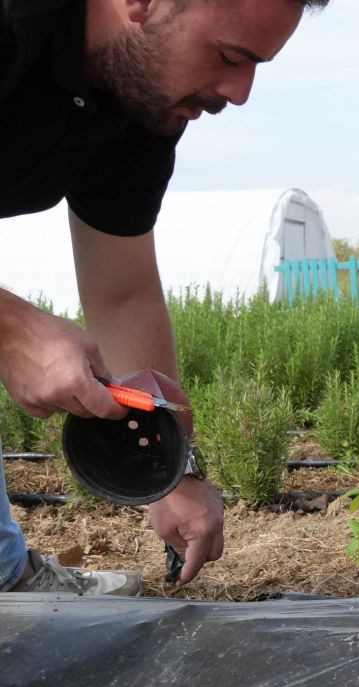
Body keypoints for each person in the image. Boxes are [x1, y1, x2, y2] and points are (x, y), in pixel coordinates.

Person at [0, 0, 327, 596]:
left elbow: (122, 291)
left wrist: (173, 470)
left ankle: (4, 574)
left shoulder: (139, 105)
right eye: (230, 56)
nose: (241, 91)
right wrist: (11, 329)